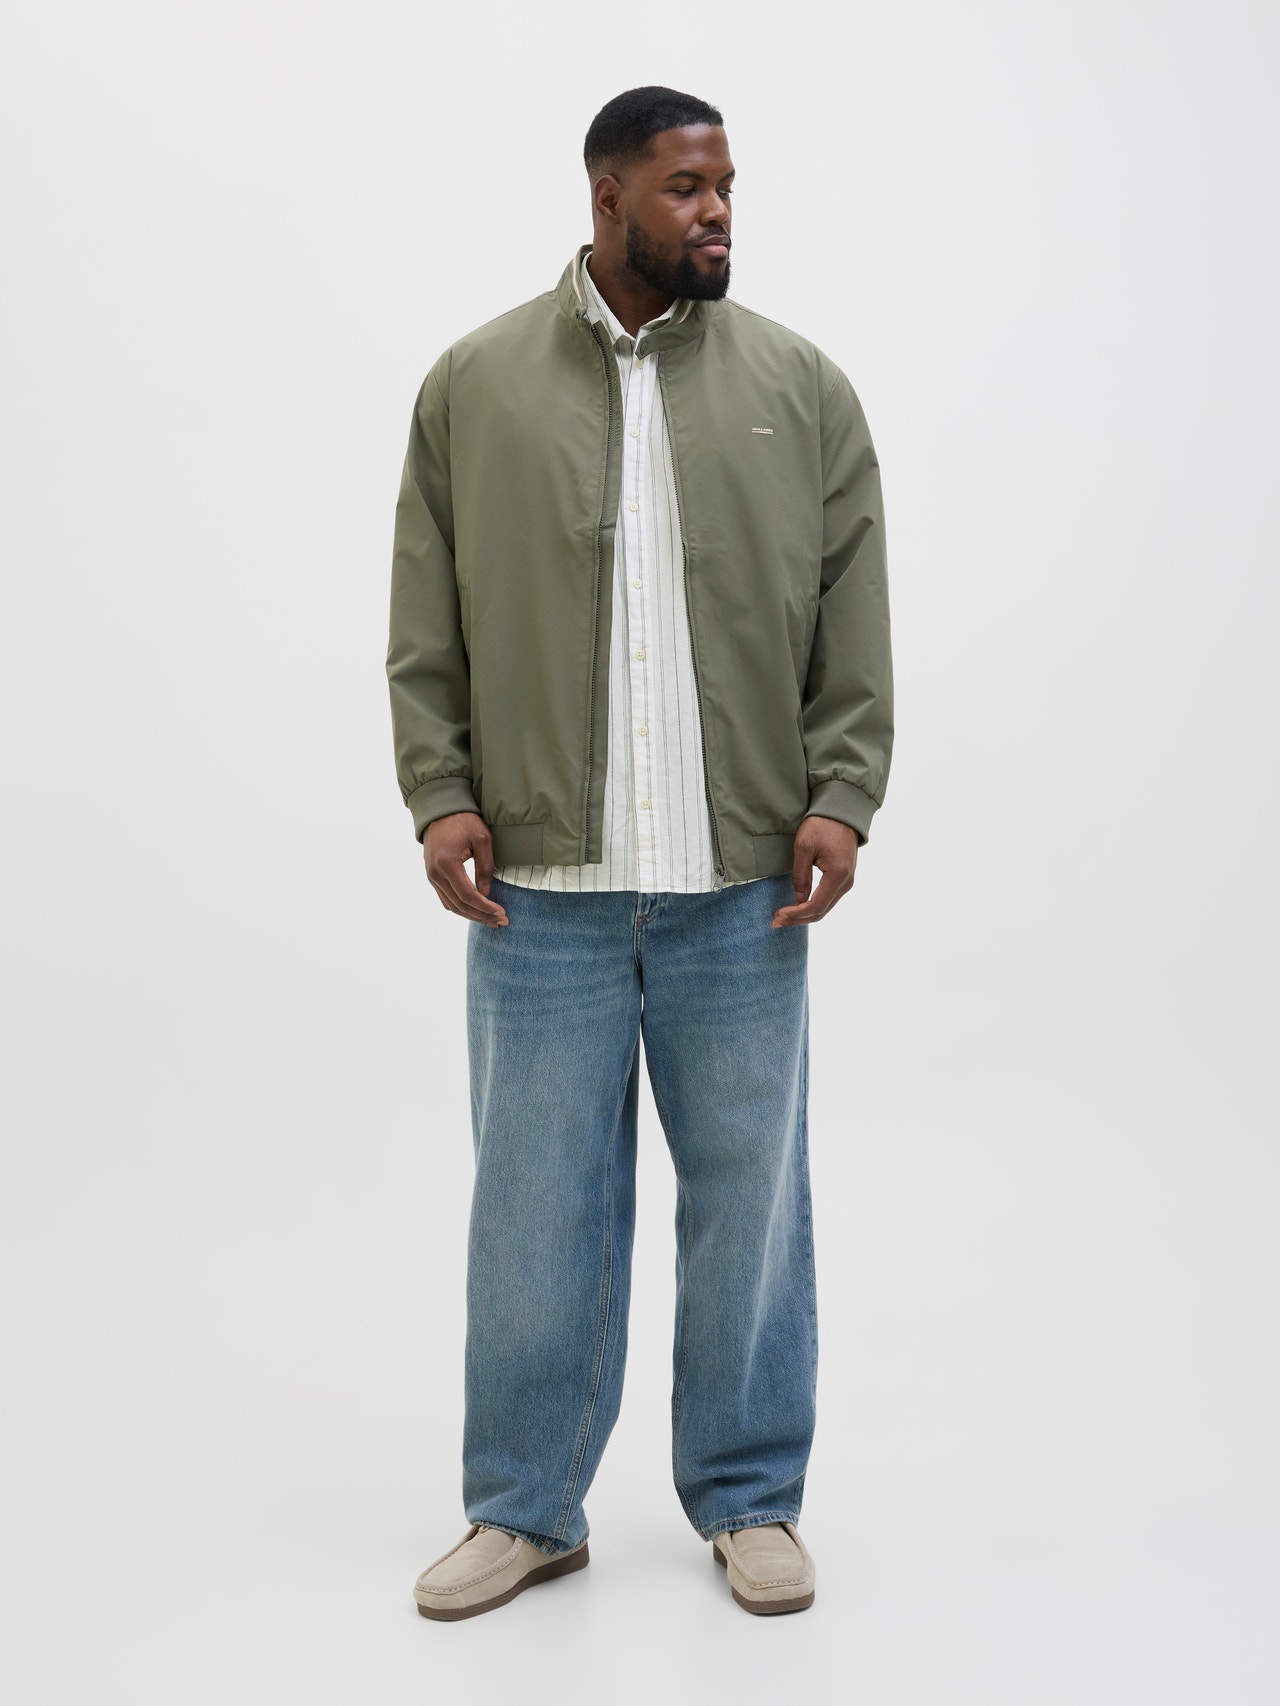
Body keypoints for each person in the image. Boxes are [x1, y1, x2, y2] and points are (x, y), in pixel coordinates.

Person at [386, 84, 894, 1621]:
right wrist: (439, 791)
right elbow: (425, 615)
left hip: (742, 884)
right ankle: (525, 1506)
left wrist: (842, 792)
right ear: (608, 196)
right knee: (535, 1212)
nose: (717, 210)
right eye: (687, 186)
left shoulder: (800, 387)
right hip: (539, 889)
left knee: (752, 1206)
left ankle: (750, 1498)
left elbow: (854, 615)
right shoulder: (475, 385)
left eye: (726, 183)